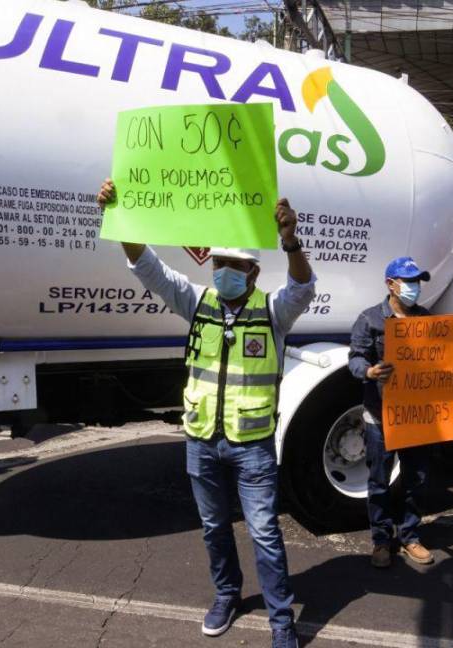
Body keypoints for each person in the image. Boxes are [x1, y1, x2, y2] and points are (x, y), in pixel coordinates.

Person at [97, 180, 314, 648]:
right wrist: (120, 217)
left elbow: (302, 287)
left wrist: (290, 240)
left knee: (264, 533)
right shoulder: (197, 303)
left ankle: (281, 622)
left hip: (252, 444)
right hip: (201, 440)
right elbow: (148, 268)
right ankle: (226, 594)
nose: (222, 273)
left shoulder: (273, 311)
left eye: (233, 266)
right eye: (218, 264)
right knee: (214, 528)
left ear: (253, 273)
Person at [348, 256, 453, 569]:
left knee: (416, 480)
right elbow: (355, 360)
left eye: (418, 280)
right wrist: (371, 371)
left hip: (417, 418)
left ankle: (410, 536)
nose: (414, 287)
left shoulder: (428, 320)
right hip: (380, 417)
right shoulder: (370, 319)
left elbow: (440, 363)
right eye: (409, 280)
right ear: (391, 284)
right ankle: (380, 540)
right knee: (378, 482)